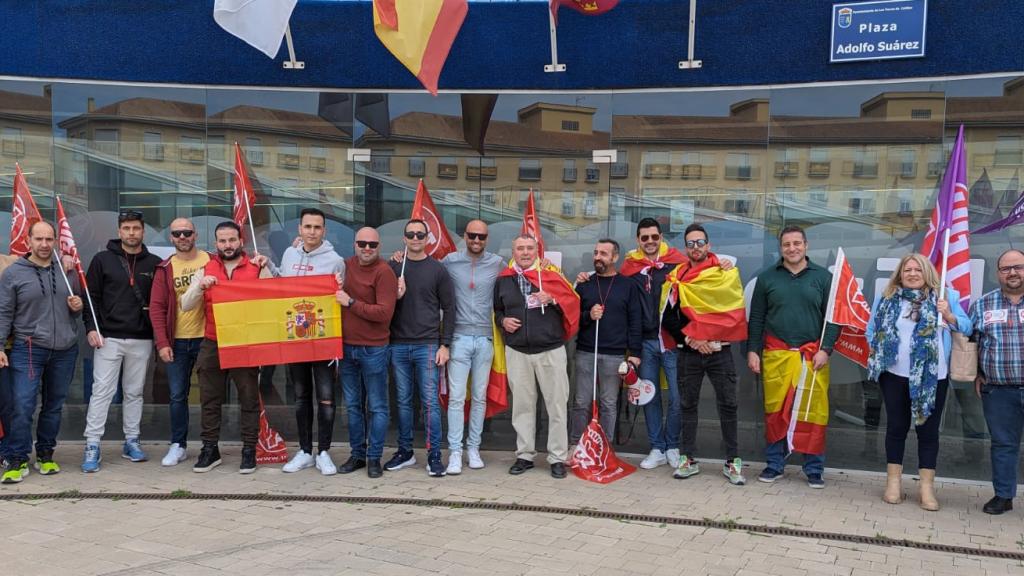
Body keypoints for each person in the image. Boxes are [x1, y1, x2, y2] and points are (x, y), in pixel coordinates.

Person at [865, 253, 970, 511]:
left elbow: (968, 327)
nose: (912, 274)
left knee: (928, 431)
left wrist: (949, 316)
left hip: (933, 377)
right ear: (900, 274)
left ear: (927, 273)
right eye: (907, 270)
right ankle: (893, 483)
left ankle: (926, 488)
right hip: (895, 375)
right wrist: (881, 351)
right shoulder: (887, 298)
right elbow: (871, 331)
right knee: (896, 427)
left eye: (917, 270)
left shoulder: (946, 297)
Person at [580, 218, 686, 469]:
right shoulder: (629, 267)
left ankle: (672, 445)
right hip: (646, 342)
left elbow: (703, 270)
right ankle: (657, 447)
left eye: (654, 237)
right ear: (638, 240)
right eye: (644, 237)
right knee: (647, 395)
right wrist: (585, 276)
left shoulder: (678, 263)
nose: (650, 241)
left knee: (677, 397)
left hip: (672, 341)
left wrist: (722, 263)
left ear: (661, 238)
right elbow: (606, 277)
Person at [747, 225, 839, 489]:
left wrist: (826, 349)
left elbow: (833, 319)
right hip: (776, 355)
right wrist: (753, 350)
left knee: (813, 411)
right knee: (776, 412)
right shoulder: (767, 278)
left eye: (797, 243)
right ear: (781, 248)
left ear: (806, 245)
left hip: (813, 357)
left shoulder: (823, 277)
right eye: (787, 244)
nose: (792, 248)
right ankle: (775, 464)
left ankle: (813, 468)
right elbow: (756, 319)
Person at [181, 221, 271, 474]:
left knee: (249, 399)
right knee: (210, 399)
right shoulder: (206, 268)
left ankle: (249, 450)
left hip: (245, 342)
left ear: (241, 240)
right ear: (216, 243)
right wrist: (200, 286)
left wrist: (267, 269)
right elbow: (185, 305)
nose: (227, 245)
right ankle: (210, 449)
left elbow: (276, 298)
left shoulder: (256, 266)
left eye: (232, 240)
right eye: (222, 241)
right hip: (213, 341)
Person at [661, 224, 746, 485]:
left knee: (728, 405)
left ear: (708, 245)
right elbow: (668, 317)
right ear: (685, 248)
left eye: (700, 242)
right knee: (687, 405)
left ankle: (732, 462)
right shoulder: (676, 277)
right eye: (690, 243)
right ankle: (688, 459)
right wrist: (692, 339)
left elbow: (733, 309)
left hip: (721, 351)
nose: (695, 247)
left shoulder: (725, 272)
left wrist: (710, 339)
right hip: (689, 352)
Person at [0, 221, 83, 483]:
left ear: (56, 240)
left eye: (49, 239)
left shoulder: (67, 270)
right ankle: (17, 458)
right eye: (39, 239)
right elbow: (4, 313)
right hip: (28, 349)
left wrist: (77, 306)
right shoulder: (14, 273)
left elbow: (76, 308)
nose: (45, 244)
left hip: (64, 350)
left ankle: (46, 455)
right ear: (29, 240)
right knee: (21, 406)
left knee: (54, 406)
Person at [80, 210, 161, 472]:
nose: (131, 233)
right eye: (126, 228)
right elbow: (90, 297)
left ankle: (131, 440)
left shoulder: (155, 263)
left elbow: (160, 304)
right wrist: (91, 328)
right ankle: (92, 444)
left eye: (136, 228)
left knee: (134, 392)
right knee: (102, 392)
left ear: (143, 231)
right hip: (109, 338)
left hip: (141, 338)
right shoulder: (102, 260)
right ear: (119, 231)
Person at [494, 234, 580, 479]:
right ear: (513, 252)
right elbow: (497, 310)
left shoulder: (552, 276)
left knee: (556, 406)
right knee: (522, 407)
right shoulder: (504, 279)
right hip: (518, 351)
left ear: (537, 251)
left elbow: (573, 303)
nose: (524, 252)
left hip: (550, 350)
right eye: (520, 248)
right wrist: (503, 321)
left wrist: (552, 298)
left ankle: (557, 458)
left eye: (529, 248)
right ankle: (524, 455)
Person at [270, 208, 346, 476]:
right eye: (308, 226)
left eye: (317, 227)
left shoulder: (335, 261)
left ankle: (323, 451)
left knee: (326, 398)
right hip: (295, 337)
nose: (312, 231)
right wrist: (267, 266)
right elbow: (280, 284)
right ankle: (304, 451)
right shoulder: (290, 254)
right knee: (301, 397)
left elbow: (340, 296)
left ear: (324, 231)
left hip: (322, 339)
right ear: (299, 229)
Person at [386, 219, 454, 477]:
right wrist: (396, 293)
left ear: (428, 239)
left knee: (430, 404)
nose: (415, 238)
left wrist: (445, 344)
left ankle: (434, 455)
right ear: (404, 239)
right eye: (410, 234)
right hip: (398, 344)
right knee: (403, 403)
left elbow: (449, 308)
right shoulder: (393, 266)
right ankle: (405, 452)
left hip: (427, 345)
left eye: (420, 234)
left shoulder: (438, 270)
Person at [437, 220, 504, 474]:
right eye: (472, 236)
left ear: (487, 238)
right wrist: (401, 257)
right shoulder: (449, 262)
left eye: (482, 237)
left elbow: (522, 276)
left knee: (479, 397)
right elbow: (426, 270)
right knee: (456, 398)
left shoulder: (498, 263)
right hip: (458, 339)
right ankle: (455, 451)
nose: (476, 241)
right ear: (464, 236)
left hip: (486, 339)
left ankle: (473, 447)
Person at [336, 227, 397, 479]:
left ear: (379, 246)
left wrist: (350, 303)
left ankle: (374, 458)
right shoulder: (343, 266)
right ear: (354, 244)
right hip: (346, 347)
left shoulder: (385, 272)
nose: (367, 248)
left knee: (378, 406)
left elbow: (384, 313)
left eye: (372, 244)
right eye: (362, 243)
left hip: (374, 349)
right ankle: (358, 454)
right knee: (352, 406)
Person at [570, 238, 641, 450]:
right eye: (595, 253)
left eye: (603, 253)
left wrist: (635, 353)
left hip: (615, 354)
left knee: (609, 403)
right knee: (581, 402)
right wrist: (589, 315)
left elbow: (635, 321)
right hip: (585, 351)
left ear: (615, 257)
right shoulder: (585, 284)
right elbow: (573, 317)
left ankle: (605, 449)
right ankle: (576, 446)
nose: (597, 257)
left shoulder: (628, 285)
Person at [150, 218, 209, 466]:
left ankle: (210, 445)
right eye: (177, 234)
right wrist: (162, 343)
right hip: (177, 341)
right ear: (171, 238)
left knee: (210, 395)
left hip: (207, 338)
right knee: (177, 396)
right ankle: (179, 445)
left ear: (195, 235)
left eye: (187, 232)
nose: (182, 237)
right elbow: (156, 307)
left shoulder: (211, 261)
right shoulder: (165, 267)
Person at [970, 248, 1024, 515]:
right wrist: (977, 372)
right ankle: (1003, 496)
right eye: (1006, 268)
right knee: (1003, 443)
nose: (1013, 272)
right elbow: (971, 344)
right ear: (998, 274)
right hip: (999, 390)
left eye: (1018, 267)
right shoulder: (982, 305)